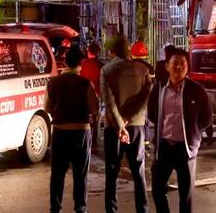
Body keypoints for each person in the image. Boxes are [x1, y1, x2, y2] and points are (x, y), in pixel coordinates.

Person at [148, 48, 212, 213]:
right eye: (174, 63)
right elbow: (152, 113)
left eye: (182, 64)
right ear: (167, 66)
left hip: (185, 149)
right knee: (157, 190)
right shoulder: (159, 89)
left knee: (186, 194)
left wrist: (194, 134)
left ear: (187, 67)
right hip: (164, 148)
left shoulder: (197, 90)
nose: (179, 67)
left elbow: (206, 118)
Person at [46, 45, 99, 213]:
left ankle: (55, 207)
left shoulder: (53, 82)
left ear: (66, 62)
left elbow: (47, 108)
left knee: (57, 174)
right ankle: (80, 208)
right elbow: (94, 108)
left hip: (60, 132)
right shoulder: (85, 83)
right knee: (80, 173)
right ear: (80, 63)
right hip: (81, 132)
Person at [104, 42, 153, 213]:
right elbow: (145, 97)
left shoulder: (107, 70)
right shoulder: (143, 70)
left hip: (113, 127)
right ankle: (143, 209)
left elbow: (108, 102)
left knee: (111, 172)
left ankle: (111, 209)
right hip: (137, 126)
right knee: (138, 171)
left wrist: (120, 123)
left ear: (112, 52)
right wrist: (128, 119)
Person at [80, 41, 103, 149]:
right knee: (96, 120)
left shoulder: (82, 64)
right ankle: (94, 142)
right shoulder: (100, 66)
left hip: (83, 96)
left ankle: (84, 141)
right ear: (98, 52)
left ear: (88, 51)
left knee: (84, 120)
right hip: (96, 96)